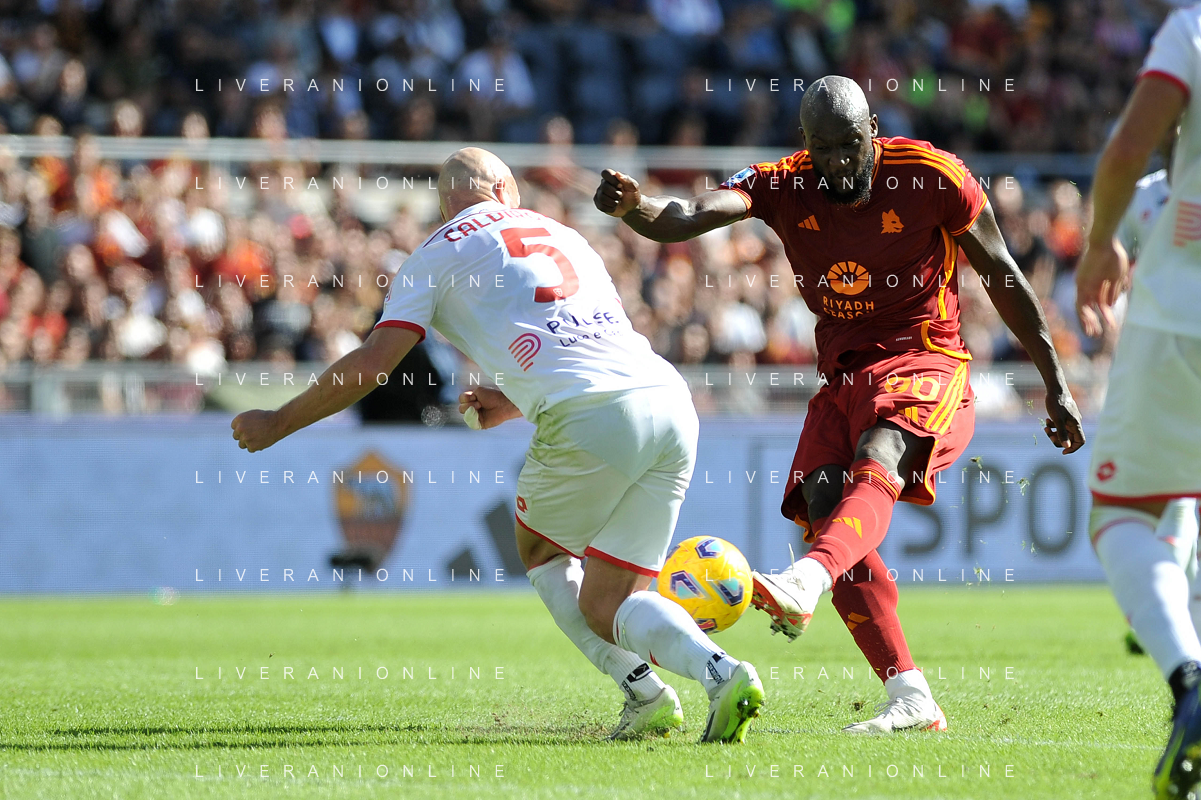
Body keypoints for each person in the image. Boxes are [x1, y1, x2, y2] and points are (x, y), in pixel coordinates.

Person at [594, 75, 1085, 734]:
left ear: (872, 130)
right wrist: (635, 208)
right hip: (844, 375)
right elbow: (689, 215)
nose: (836, 161)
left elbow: (1001, 272)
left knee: (880, 453)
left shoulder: (933, 176)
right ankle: (909, 694)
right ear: (806, 143)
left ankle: (805, 580)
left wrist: (1054, 382)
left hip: (925, 360)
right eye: (822, 147)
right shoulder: (782, 183)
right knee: (825, 503)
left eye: (848, 144)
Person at [231, 147, 765, 744]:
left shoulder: (432, 255)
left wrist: (278, 421)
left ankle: (645, 694)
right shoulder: (565, 234)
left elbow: (374, 366)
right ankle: (723, 674)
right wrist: (511, 399)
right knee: (611, 600)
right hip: (668, 399)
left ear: (446, 206)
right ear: (507, 190)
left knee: (543, 556)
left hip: (589, 414)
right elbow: (583, 340)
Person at [1075, 6, 1201, 796]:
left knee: (1121, 514)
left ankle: (1191, 681)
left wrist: (1097, 243)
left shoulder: (1192, 28)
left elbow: (1126, 147)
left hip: (1183, 317)